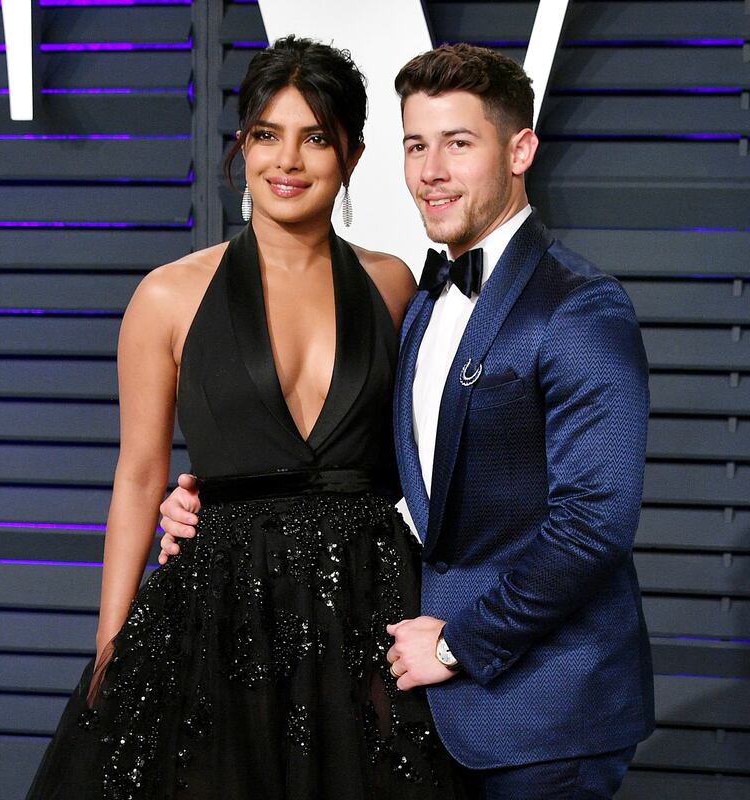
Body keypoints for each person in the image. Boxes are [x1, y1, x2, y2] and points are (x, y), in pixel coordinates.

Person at [159, 44, 655, 799]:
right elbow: (384, 474)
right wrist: (206, 500)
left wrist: (458, 643)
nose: (432, 171)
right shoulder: (418, 303)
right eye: (417, 145)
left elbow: (594, 525)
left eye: (459, 143)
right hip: (430, 708)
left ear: (520, 150)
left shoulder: (579, 307)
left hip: (548, 714)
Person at [26, 37, 465, 800]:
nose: (287, 160)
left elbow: (419, 454)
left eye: (315, 137)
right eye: (266, 134)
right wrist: (110, 647)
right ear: (242, 147)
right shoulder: (168, 296)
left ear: (353, 155)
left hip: (364, 600)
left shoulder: (393, 285)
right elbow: (137, 477)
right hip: (220, 610)